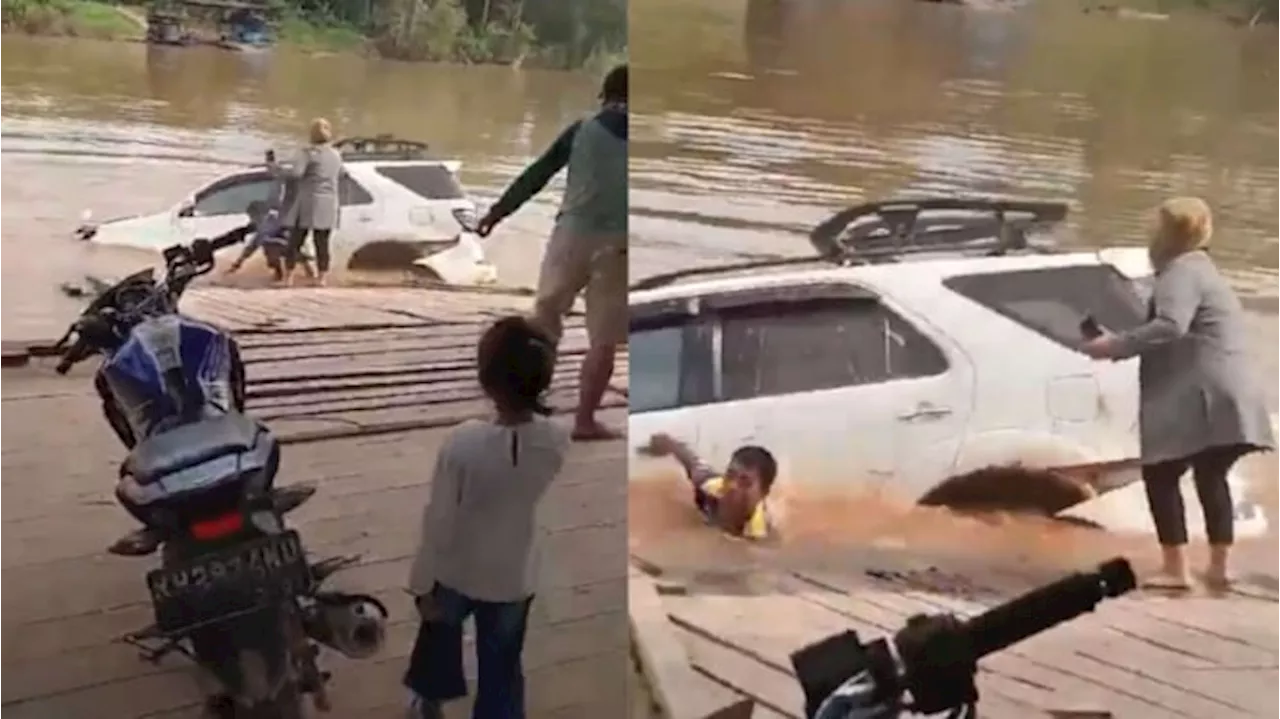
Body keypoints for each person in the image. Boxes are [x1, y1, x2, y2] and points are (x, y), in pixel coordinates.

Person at [1082, 196, 1273, 590]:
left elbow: (1171, 325)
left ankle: (1176, 570)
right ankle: (1218, 568)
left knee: (1161, 473)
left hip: (1202, 391)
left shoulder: (1181, 271)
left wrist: (1115, 345)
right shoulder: (1205, 270)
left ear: (1168, 233)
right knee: (1210, 472)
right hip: (1232, 389)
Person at [404, 316, 571, 719]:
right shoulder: (557, 439)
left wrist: (421, 582)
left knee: (438, 637)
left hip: (456, 570)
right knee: (503, 661)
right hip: (514, 575)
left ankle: (429, 703)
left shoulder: (463, 444)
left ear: (486, 381)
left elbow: (439, 520)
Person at [474, 64, 628, 442]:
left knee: (544, 322)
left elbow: (538, 173)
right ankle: (585, 421)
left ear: (605, 96)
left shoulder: (582, 130)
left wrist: (497, 212)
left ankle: (522, 406)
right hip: (619, 245)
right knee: (603, 339)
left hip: (570, 235)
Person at [641, 432, 778, 540]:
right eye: (730, 475)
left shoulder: (758, 533)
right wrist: (668, 444)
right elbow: (690, 459)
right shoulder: (708, 489)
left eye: (745, 483)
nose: (733, 486)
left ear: (764, 493)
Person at [270, 117, 342, 287]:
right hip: (329, 203)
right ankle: (321, 278)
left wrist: (277, 169)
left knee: (295, 241)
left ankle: (288, 279)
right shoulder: (335, 154)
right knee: (322, 242)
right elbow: (341, 174)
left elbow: (296, 174)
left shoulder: (307, 153)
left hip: (308, 202)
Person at [225, 200, 315, 282]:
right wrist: (238, 264)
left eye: (253, 215)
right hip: (279, 246)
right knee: (268, 246)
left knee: (298, 254)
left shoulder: (278, 218)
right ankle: (278, 273)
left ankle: (310, 274)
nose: (252, 218)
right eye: (251, 216)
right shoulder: (261, 226)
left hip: (295, 244)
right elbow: (252, 246)